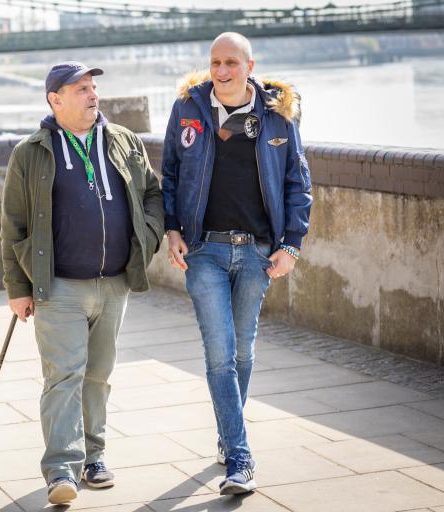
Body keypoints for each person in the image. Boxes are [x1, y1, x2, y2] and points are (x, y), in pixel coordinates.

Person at [0, 61, 164, 505]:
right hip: (59, 287)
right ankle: (60, 470)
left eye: (93, 87)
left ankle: (95, 457)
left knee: (99, 375)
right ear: (55, 100)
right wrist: (17, 288)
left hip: (115, 283)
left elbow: (153, 192)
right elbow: (12, 223)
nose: (93, 95)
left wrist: (145, 239)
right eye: (81, 89)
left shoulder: (124, 142)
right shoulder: (31, 152)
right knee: (63, 377)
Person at [161, 32, 312, 495]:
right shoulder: (188, 108)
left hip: (256, 253)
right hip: (204, 251)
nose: (221, 71)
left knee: (243, 352)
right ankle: (241, 458)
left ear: (250, 65)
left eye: (230, 62)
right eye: (214, 62)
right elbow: (168, 173)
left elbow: (297, 182)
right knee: (220, 354)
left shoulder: (277, 115)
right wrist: (172, 230)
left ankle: (229, 439)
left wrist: (291, 246)